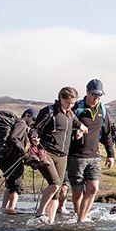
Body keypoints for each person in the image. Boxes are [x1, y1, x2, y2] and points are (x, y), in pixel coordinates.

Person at [32, 87, 87, 223]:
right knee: (56, 183)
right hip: (47, 152)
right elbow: (35, 128)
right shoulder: (49, 111)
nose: (70, 106)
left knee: (57, 192)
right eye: (67, 102)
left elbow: (78, 124)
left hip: (63, 156)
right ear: (60, 98)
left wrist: (82, 130)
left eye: (72, 103)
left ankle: (50, 222)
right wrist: (33, 137)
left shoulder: (70, 114)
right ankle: (40, 213)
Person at [68, 79, 115, 223]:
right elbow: (66, 126)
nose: (97, 98)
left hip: (94, 156)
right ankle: (78, 215)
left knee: (93, 188)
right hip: (76, 156)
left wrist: (110, 154)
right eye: (94, 94)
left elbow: (106, 133)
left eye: (99, 95)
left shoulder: (102, 110)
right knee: (77, 191)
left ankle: (81, 219)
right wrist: (75, 131)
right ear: (87, 92)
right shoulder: (76, 107)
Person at [0, 108, 38, 214]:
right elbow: (14, 138)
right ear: (27, 115)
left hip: (7, 157)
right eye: (33, 119)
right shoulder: (22, 123)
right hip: (13, 158)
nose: (34, 122)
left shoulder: (19, 123)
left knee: (10, 184)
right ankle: (11, 210)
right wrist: (24, 153)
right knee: (16, 185)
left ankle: (4, 209)